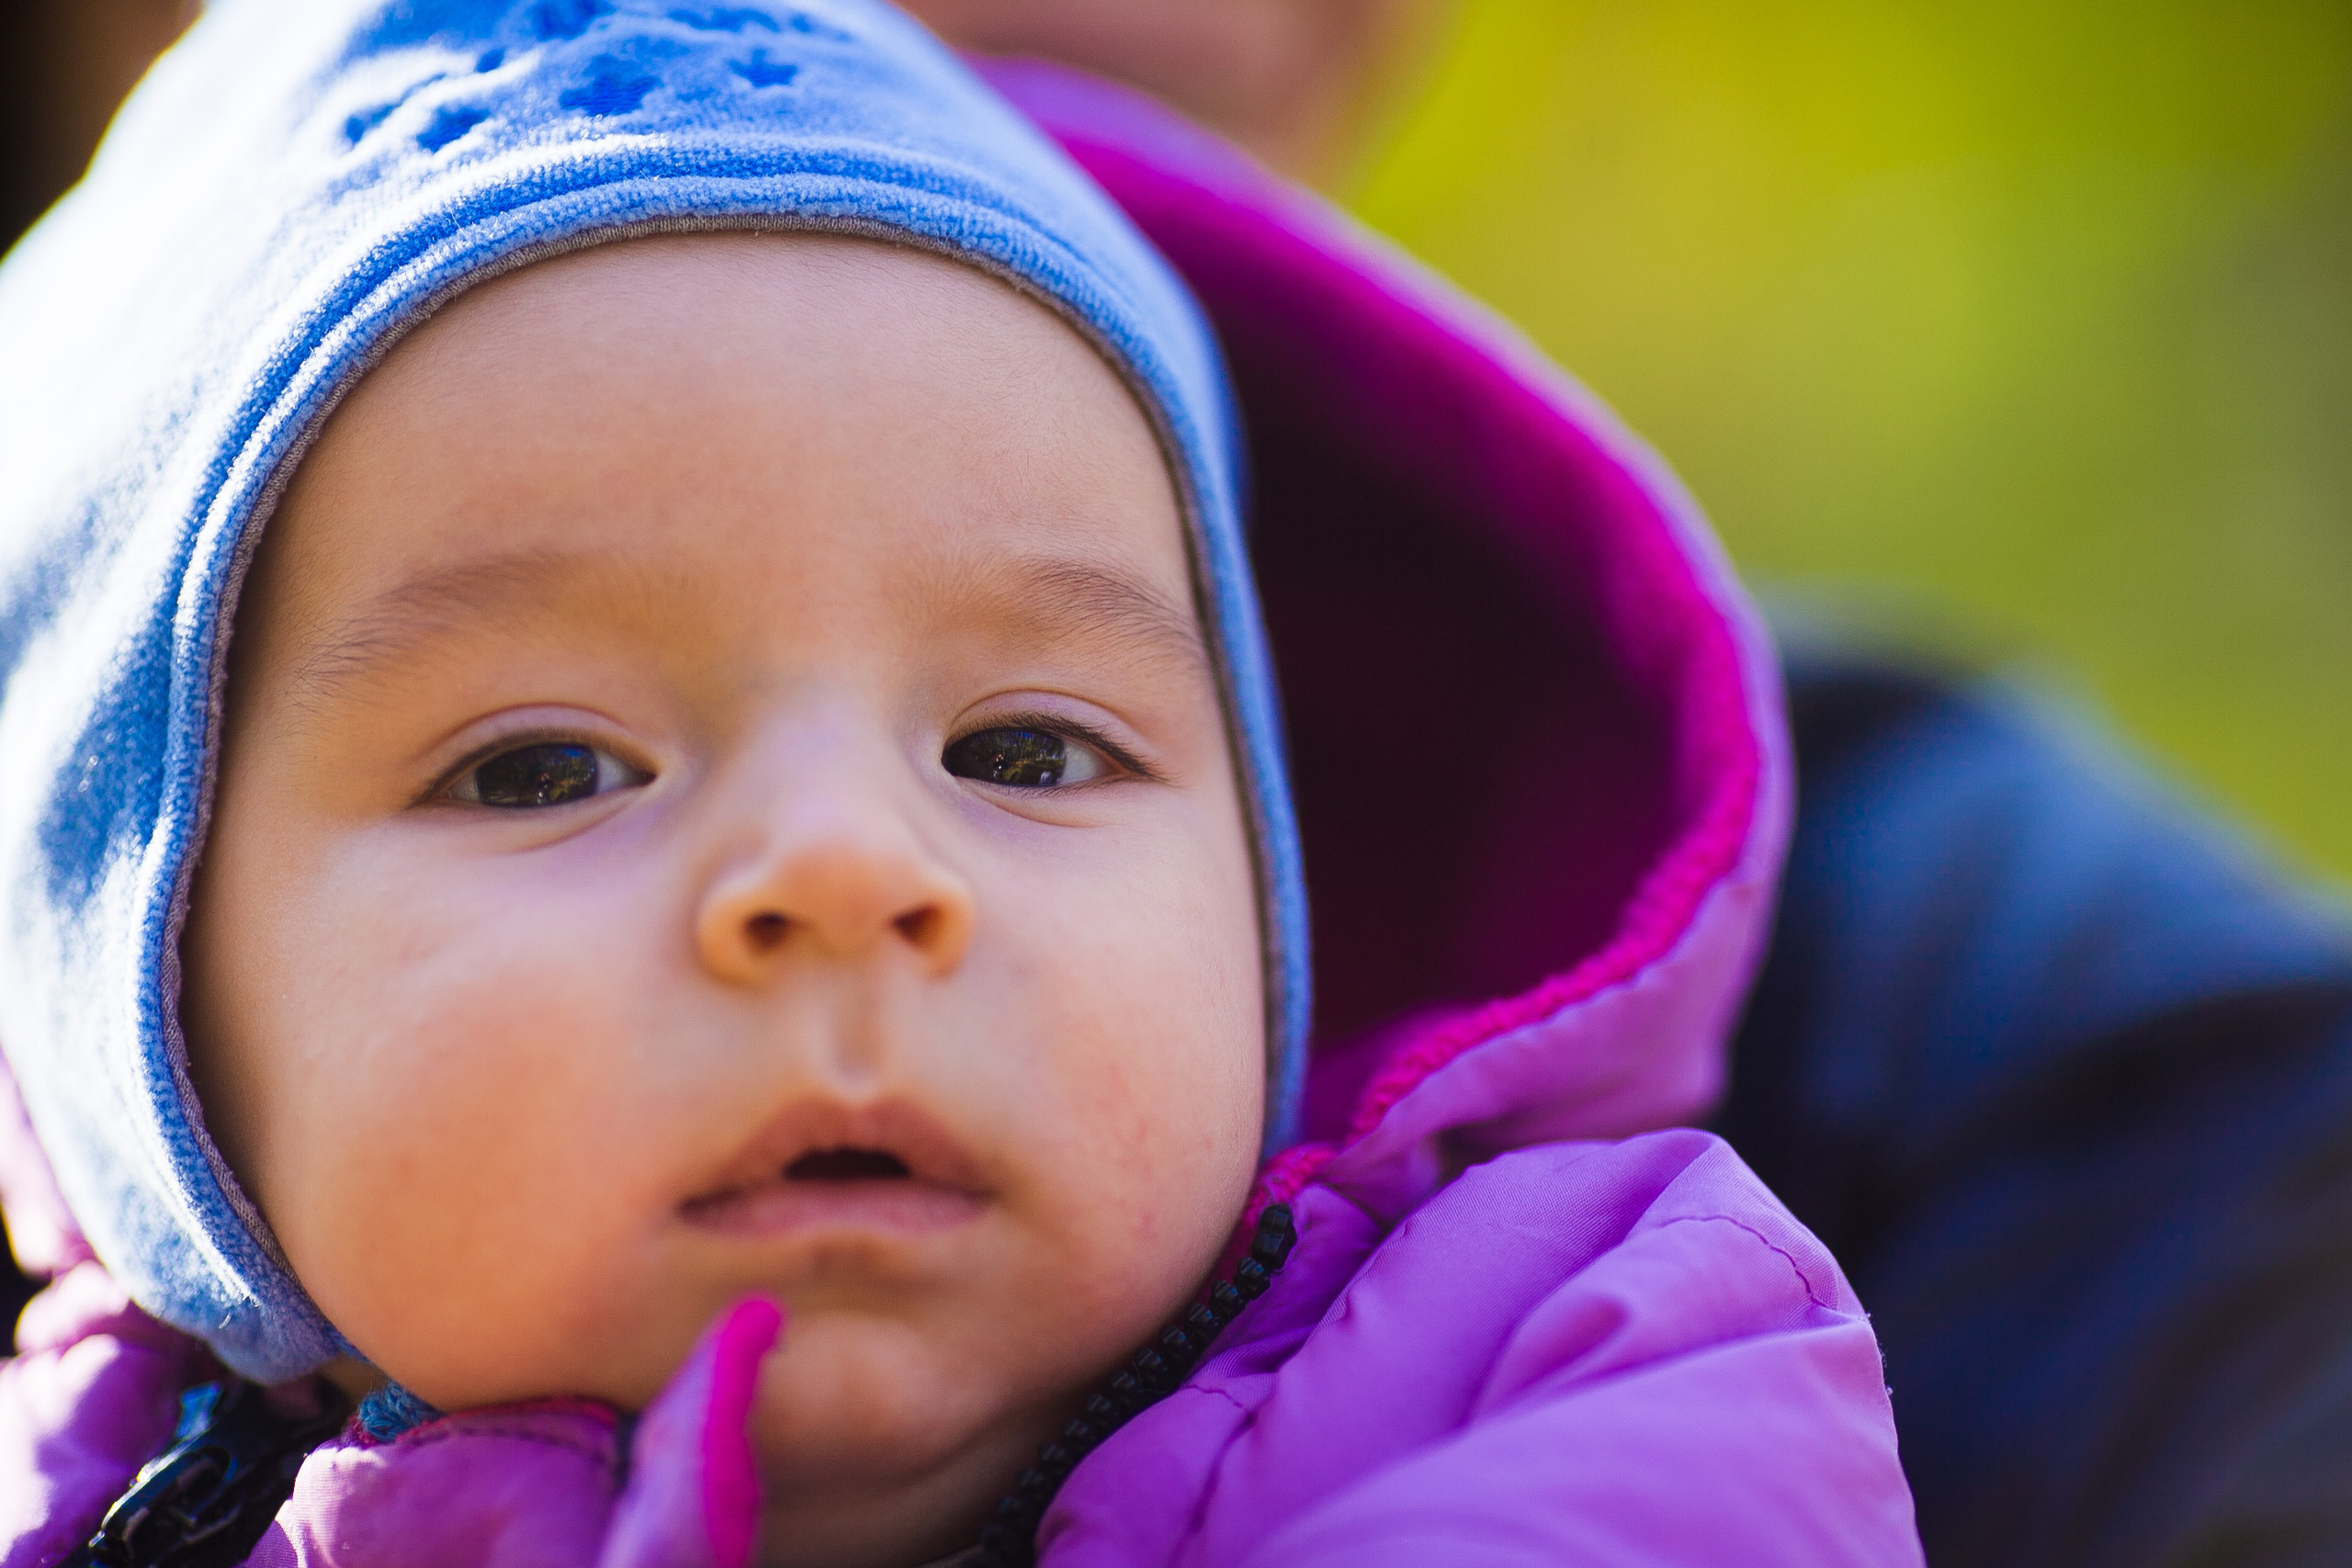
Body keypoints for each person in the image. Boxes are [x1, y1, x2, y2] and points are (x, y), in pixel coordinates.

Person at [0, 3, 1920, 1564]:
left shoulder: (1577, 1366)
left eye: (1022, 748)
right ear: (141, 1010)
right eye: (543, 767)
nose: (845, 867)